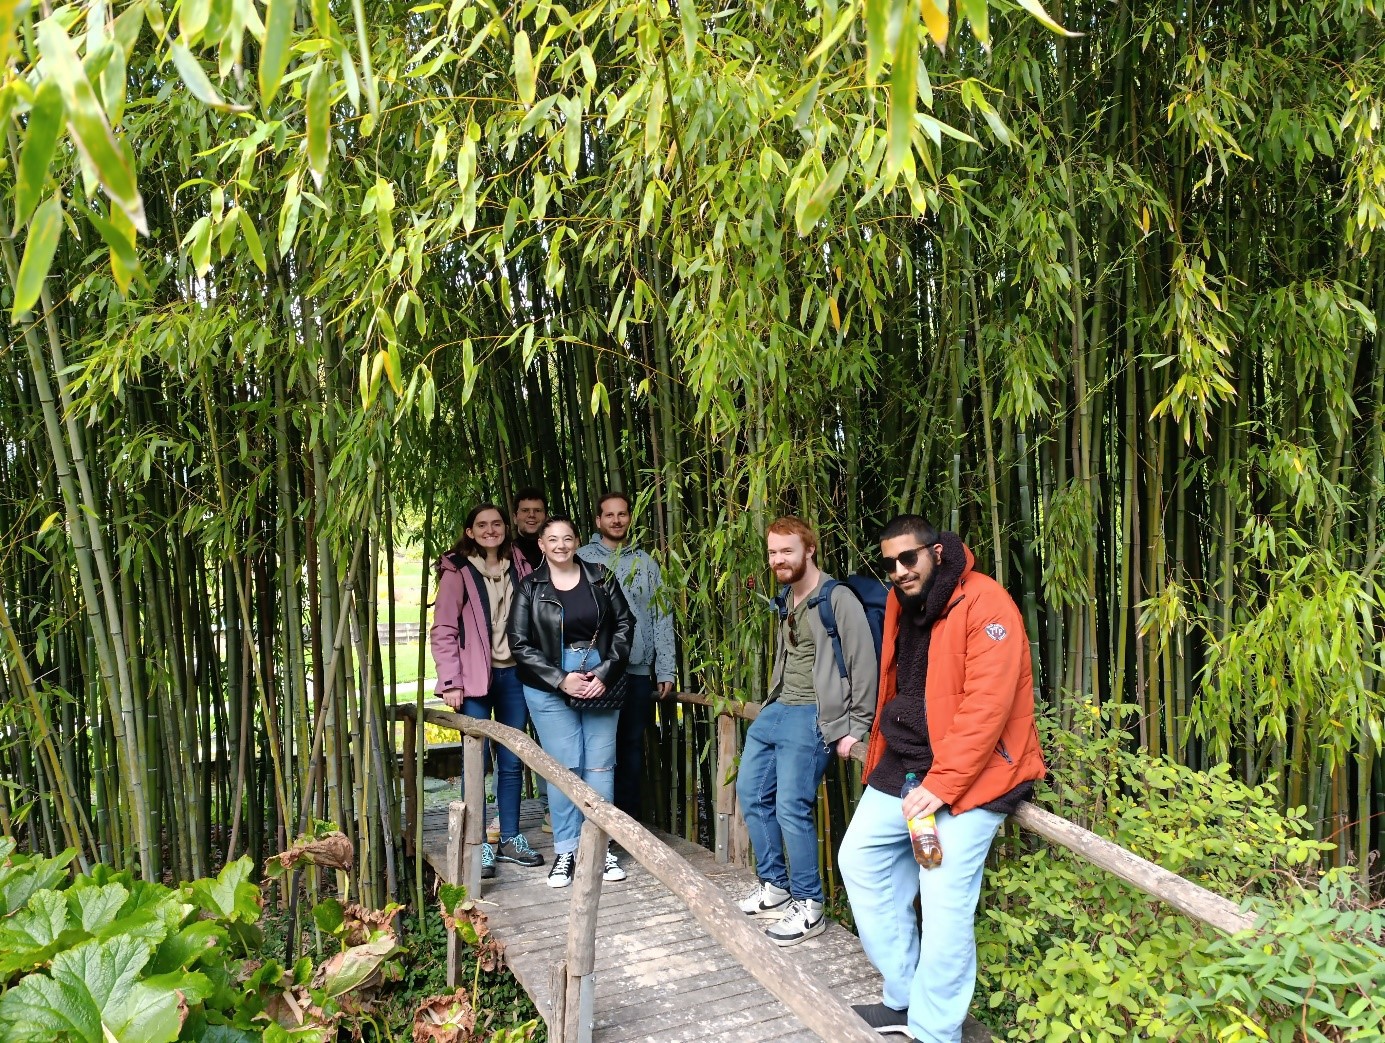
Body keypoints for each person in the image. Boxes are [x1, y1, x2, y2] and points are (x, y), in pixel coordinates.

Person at [841, 516, 1045, 1041]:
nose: (899, 571)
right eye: (888, 564)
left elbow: (988, 707)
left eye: (908, 559)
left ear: (935, 551)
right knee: (858, 859)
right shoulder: (899, 600)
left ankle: (935, 1031)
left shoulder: (985, 603)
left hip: (978, 772)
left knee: (943, 897)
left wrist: (943, 783)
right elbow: (898, 684)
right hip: (907, 763)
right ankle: (905, 995)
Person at [737, 516, 878, 945]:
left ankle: (809, 904)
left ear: (809, 550)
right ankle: (775, 885)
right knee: (750, 793)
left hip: (815, 715)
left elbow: (864, 666)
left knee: (790, 807)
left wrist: (856, 728)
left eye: (787, 551)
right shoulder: (787, 598)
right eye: (773, 552)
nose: (778, 559)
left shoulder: (837, 599)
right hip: (778, 706)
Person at [508, 516, 636, 888]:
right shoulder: (530, 587)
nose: (561, 545)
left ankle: (600, 845)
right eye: (552, 539)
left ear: (577, 541)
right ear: (542, 546)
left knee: (599, 767)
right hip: (549, 681)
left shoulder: (600, 577)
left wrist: (605, 673)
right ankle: (566, 849)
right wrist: (560, 679)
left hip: (598, 674)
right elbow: (520, 642)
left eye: (567, 538)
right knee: (565, 767)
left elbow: (625, 625)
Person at [429, 504, 545, 881]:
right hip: (474, 679)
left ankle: (510, 839)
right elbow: (443, 630)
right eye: (482, 525)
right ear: (470, 530)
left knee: (512, 760)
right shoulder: (457, 572)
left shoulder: (522, 565)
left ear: (505, 528)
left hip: (515, 675)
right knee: (474, 761)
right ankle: (478, 844)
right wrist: (450, 682)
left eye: (496, 523)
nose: (490, 530)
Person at [575, 490, 677, 821]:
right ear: (598, 521)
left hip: (636, 669)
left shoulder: (645, 562)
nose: (617, 520)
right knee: (596, 748)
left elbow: (662, 616)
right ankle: (595, 821)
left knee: (631, 747)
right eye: (610, 515)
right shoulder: (582, 558)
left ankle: (629, 822)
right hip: (596, 668)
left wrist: (665, 669)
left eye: (623, 514)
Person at [511, 487, 548, 571]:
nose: (531, 515)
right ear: (515, 518)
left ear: (546, 518)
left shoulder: (557, 551)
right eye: (525, 510)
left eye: (537, 510)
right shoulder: (507, 554)